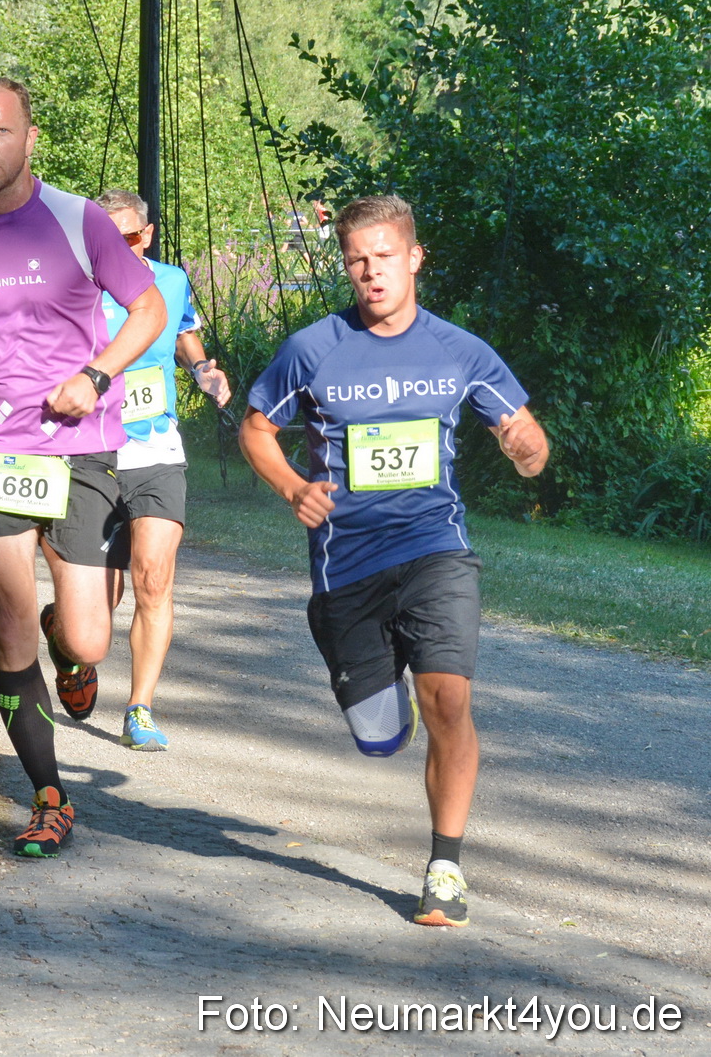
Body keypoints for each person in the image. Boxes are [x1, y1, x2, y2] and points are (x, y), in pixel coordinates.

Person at [239, 194, 549, 929]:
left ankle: (445, 867)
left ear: (414, 258)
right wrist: (293, 487)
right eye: (357, 260)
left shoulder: (458, 350)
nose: (372, 272)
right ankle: (381, 687)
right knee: (380, 736)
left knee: (449, 699)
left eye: (385, 256)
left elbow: (529, 442)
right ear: (346, 266)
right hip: (346, 565)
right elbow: (256, 428)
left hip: (435, 547)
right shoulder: (313, 349)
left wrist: (527, 450)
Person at [0, 77, 164, 859]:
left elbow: (148, 308)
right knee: (8, 619)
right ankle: (49, 794)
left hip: (80, 444)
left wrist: (97, 376)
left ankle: (65, 635)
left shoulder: (80, 220)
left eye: (1, 131)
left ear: (30, 136)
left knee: (87, 637)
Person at [93, 190, 232, 752]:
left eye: (128, 237)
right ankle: (71, 648)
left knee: (153, 577)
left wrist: (202, 370)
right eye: (106, 237)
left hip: (156, 448)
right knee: (95, 605)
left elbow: (182, 333)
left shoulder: (171, 281)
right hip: (92, 451)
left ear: (146, 235)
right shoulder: (76, 282)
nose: (117, 247)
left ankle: (140, 708)